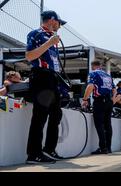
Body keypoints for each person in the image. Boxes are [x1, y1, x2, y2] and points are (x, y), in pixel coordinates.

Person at [24, 10, 67, 164]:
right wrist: (49, 43)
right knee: (40, 116)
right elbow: (29, 56)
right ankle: (33, 154)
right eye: (58, 22)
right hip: (41, 77)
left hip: (52, 78)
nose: (60, 26)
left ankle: (49, 149)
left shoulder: (52, 38)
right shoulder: (36, 34)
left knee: (56, 114)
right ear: (51, 20)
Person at [82, 61, 117, 155]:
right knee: (108, 125)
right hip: (109, 101)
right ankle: (108, 148)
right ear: (100, 66)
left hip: (100, 101)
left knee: (99, 124)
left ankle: (103, 148)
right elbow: (114, 89)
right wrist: (113, 99)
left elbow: (90, 86)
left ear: (93, 66)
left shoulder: (93, 73)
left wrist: (85, 99)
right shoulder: (108, 75)